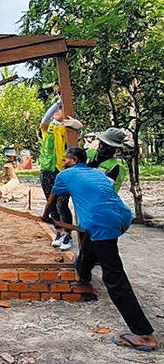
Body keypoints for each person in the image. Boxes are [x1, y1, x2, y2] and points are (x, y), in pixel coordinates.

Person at [41, 147, 157, 352]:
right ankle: (82, 274)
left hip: (101, 222)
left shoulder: (65, 174)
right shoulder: (96, 172)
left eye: (65, 159)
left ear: (73, 160)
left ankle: (143, 334)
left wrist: (45, 217)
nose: (62, 161)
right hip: (121, 216)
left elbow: (53, 200)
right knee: (90, 248)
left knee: (114, 277)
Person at [38, 91, 84, 251]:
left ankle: (68, 235)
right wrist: (58, 101)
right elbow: (45, 119)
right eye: (57, 109)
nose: (57, 112)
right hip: (46, 170)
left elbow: (77, 141)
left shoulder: (67, 129)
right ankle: (59, 232)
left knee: (61, 204)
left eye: (61, 110)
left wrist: (79, 126)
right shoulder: (50, 127)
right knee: (51, 204)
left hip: (61, 171)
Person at [87, 127, 127, 193]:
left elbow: (102, 188)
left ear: (116, 148)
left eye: (108, 146)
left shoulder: (115, 166)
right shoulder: (89, 153)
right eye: (102, 143)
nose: (103, 148)